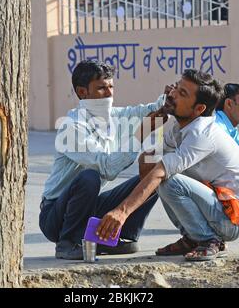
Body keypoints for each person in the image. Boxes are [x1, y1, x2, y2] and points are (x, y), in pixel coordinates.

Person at [96, 69, 239, 261]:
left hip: (232, 220)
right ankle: (193, 238)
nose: (172, 95)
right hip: (215, 209)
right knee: (159, 175)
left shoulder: (202, 134)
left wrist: (121, 213)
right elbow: (147, 167)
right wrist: (153, 123)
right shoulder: (177, 126)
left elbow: (158, 173)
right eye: (176, 88)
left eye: (182, 94)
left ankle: (207, 240)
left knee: (166, 179)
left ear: (199, 109)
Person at [39, 60, 167, 260]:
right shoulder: (72, 127)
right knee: (90, 177)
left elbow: (149, 109)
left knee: (154, 175)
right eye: (101, 88)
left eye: (111, 87)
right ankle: (68, 241)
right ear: (82, 92)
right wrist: (140, 134)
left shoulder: (116, 116)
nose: (109, 94)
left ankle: (121, 236)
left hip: (90, 206)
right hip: (57, 215)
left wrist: (169, 98)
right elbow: (107, 167)